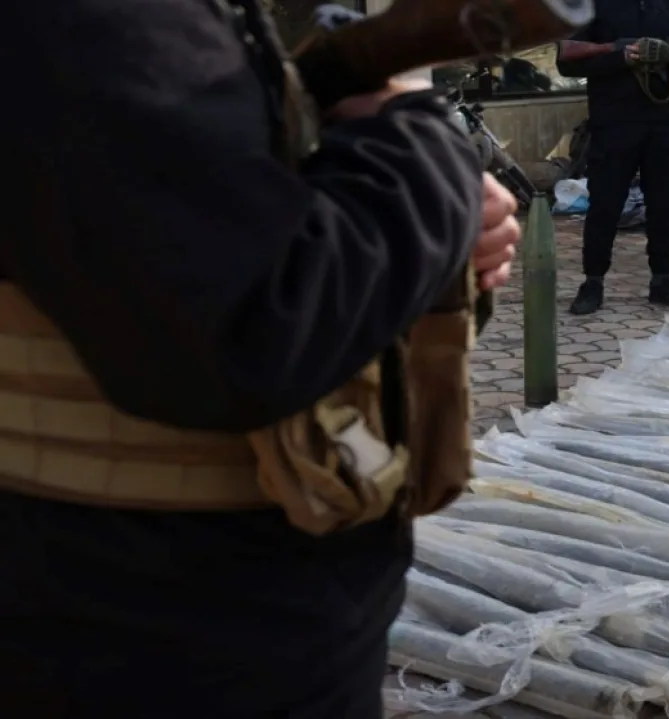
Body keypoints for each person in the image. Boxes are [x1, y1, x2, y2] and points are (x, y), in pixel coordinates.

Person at [0, 0, 520, 716]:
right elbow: (256, 322)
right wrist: (422, 151)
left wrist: (426, 216)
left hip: (158, 605)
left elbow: (196, 217)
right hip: (169, 628)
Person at [557, 0, 669, 315]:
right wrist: (621, 57)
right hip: (614, 122)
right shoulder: (596, 7)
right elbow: (567, 63)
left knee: (665, 206)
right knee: (605, 205)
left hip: (664, 121)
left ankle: (663, 280)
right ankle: (593, 283)